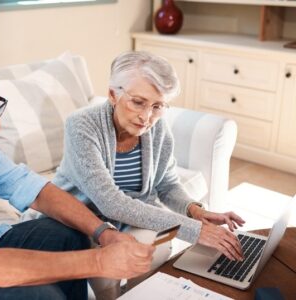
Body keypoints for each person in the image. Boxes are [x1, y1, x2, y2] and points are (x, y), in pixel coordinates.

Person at [0, 49, 156, 300]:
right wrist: (99, 262)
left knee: (67, 234)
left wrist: (104, 233)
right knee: (39, 295)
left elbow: (34, 189)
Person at [53, 51, 245, 299]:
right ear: (113, 94)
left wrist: (196, 211)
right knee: (107, 273)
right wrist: (194, 230)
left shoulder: (157, 129)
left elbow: (166, 183)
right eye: (138, 102)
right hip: (81, 217)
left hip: (128, 217)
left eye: (158, 106)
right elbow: (110, 203)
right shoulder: (81, 125)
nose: (147, 117)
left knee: (156, 247)